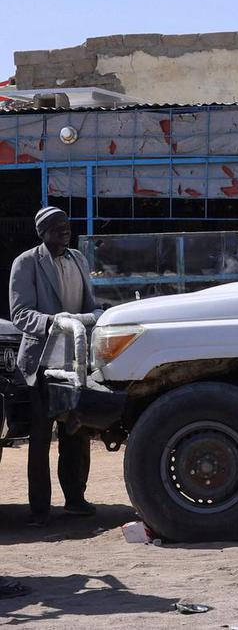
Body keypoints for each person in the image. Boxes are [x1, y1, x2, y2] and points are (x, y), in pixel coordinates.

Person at [9, 206, 101, 526]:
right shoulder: (27, 262)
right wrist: (54, 321)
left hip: (75, 358)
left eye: (66, 224)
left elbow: (90, 305)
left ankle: (75, 499)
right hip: (40, 362)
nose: (65, 229)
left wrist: (97, 318)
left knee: (76, 429)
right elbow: (21, 314)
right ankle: (40, 510)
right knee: (41, 437)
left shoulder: (79, 259)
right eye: (57, 226)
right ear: (43, 232)